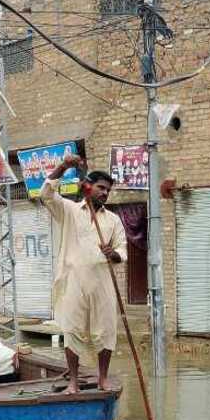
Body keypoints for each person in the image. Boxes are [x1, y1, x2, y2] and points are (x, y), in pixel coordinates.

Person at [40, 153, 127, 394]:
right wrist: (64, 166)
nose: (105, 193)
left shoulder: (113, 220)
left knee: (106, 331)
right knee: (72, 330)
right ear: (88, 188)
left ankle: (102, 379)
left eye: (108, 190)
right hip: (74, 280)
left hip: (102, 281)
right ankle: (73, 382)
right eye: (101, 188)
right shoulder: (69, 210)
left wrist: (113, 254)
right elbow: (46, 194)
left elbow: (122, 250)